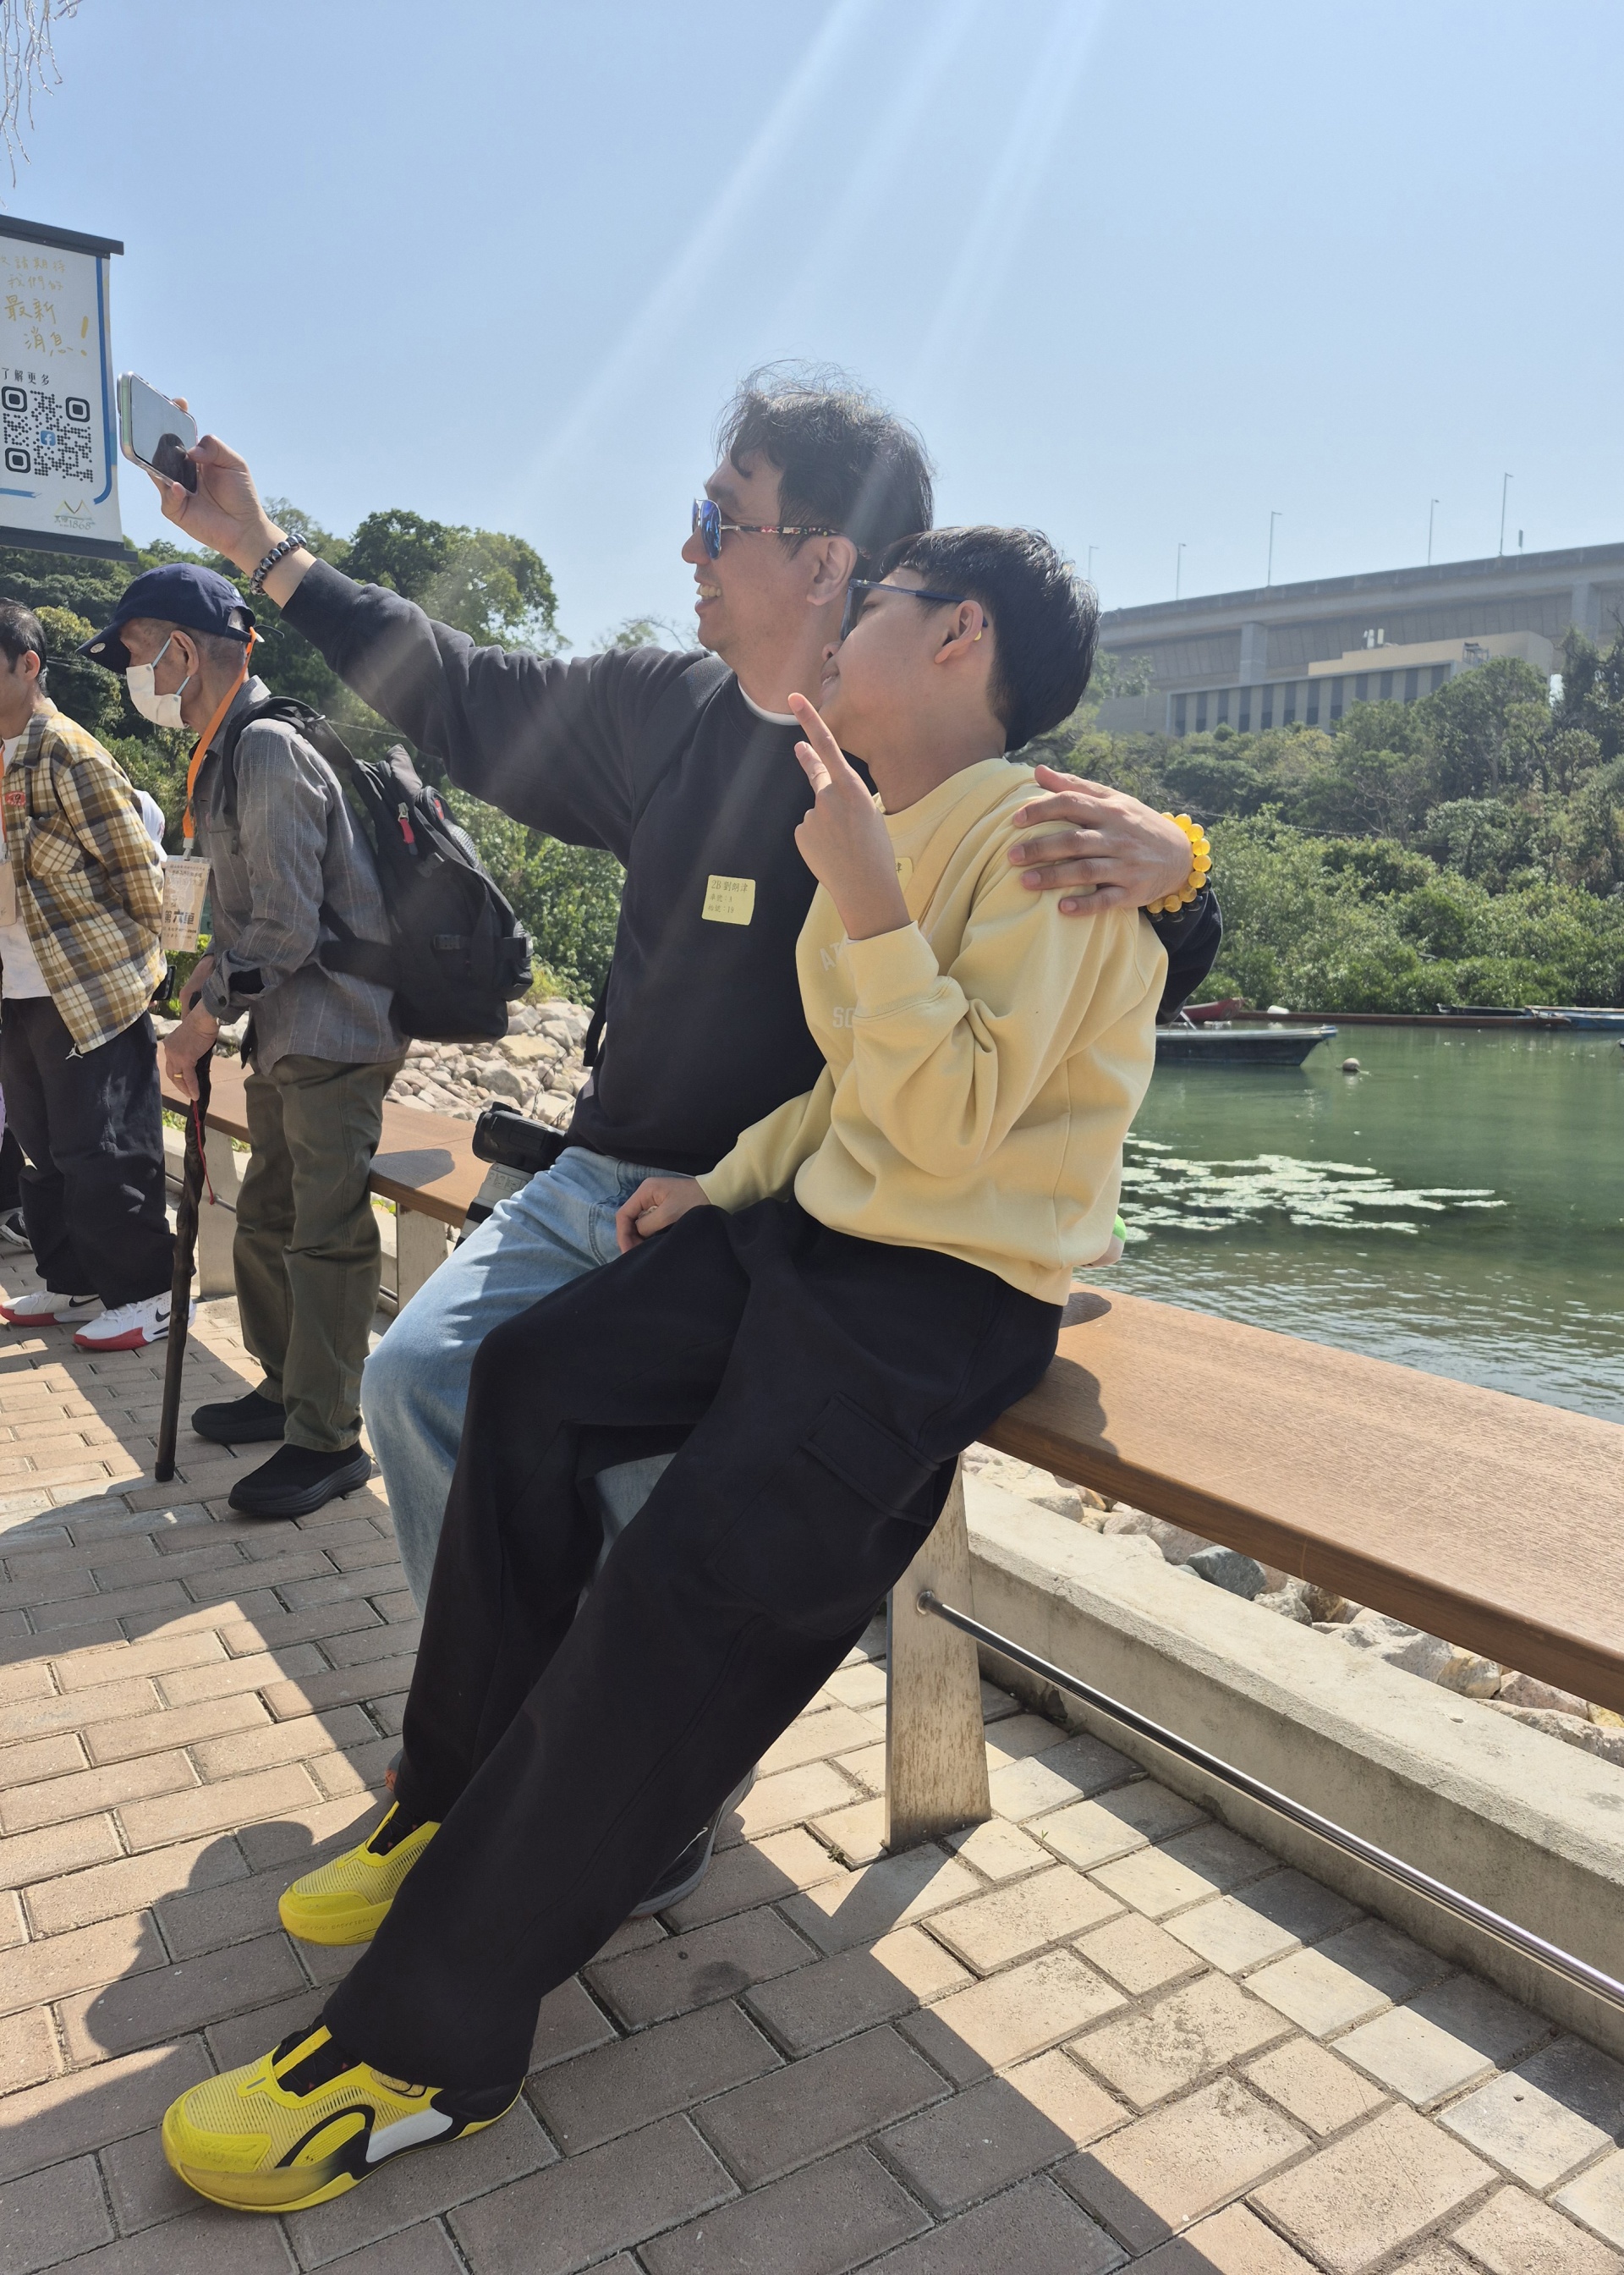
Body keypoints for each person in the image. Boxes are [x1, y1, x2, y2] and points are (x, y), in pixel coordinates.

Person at [161, 524, 1169, 2211]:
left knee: (681, 1604)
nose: (844, 626)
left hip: (937, 1293)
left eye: (878, 604)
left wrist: (876, 895)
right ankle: (454, 1795)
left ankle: (426, 2047)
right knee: (529, 1381)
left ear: (960, 638)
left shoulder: (1050, 841)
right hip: (816, 1224)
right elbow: (848, 1095)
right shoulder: (878, 806)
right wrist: (726, 1182)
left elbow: (948, 1124)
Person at [152, 371, 1215, 1580]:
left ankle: (591, 1698)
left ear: (827, 561)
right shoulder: (660, 710)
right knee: (416, 1381)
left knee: (648, 1506)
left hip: (781, 1212)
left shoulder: (930, 764)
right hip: (602, 1174)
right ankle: (510, 1689)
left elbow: (1118, 953)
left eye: (720, 518)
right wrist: (262, 547)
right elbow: (457, 685)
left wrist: (1185, 871)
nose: (687, 549)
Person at [80, 564, 406, 1517]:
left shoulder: (264, 749)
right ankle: (285, 1386)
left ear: (183, 650)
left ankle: (328, 1435)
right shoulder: (231, 749)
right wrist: (213, 988)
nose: (134, 678)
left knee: (325, 1234)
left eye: (136, 655)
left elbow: (289, 927)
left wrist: (201, 1019)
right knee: (267, 1215)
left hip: (336, 1029)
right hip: (288, 1027)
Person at [0, 599, 176, 1350]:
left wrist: (135, 973)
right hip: (18, 986)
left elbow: (142, 873)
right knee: (41, 1149)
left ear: (28, 665)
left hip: (85, 987)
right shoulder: (3, 752)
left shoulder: (66, 750)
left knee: (102, 1147)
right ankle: (73, 1280)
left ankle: (150, 1292)